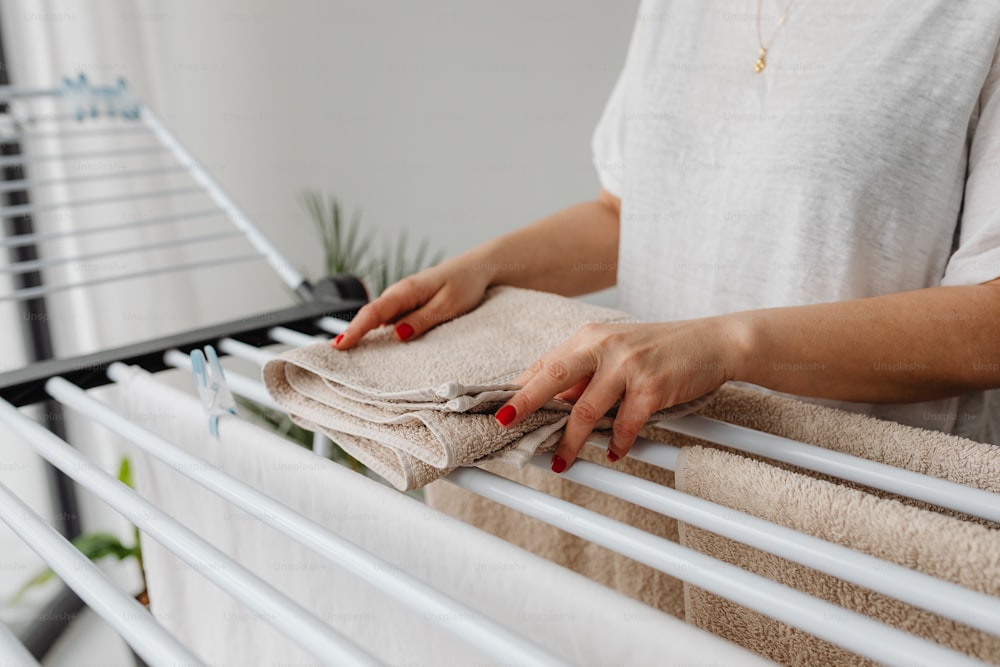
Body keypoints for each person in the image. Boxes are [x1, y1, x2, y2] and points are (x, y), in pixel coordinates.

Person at [335, 1, 1000, 473]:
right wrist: (484, 267)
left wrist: (725, 344)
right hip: (657, 480)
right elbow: (634, 212)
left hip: (864, 507)